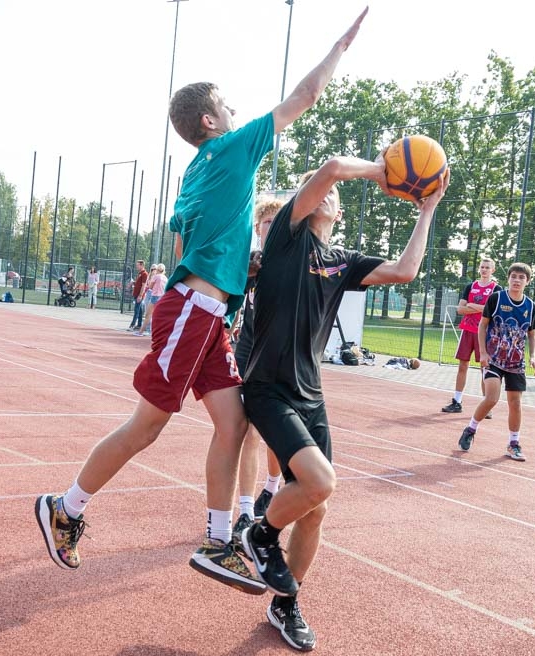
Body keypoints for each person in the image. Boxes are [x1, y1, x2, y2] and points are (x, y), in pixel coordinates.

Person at [35, 8, 372, 599]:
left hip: (206, 312)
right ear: (213, 121)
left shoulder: (197, 172)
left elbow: (186, 242)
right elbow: (306, 94)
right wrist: (341, 45)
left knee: (235, 421)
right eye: (232, 109)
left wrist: (232, 266)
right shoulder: (235, 149)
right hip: (194, 310)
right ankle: (64, 506)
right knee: (147, 427)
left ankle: (221, 541)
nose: (243, 116)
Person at [241, 160, 446, 651]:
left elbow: (405, 270)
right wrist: (384, 172)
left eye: (336, 198)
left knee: (316, 507)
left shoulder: (341, 259)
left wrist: (429, 208)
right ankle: (260, 534)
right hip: (268, 386)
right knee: (320, 481)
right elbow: (332, 168)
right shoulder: (288, 236)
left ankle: (284, 605)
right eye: (322, 194)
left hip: (311, 393)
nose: (331, 197)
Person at [232, 199, 285, 538]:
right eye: (267, 222)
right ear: (258, 227)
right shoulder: (248, 263)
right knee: (248, 430)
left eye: (277, 222)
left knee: (274, 435)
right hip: (248, 352)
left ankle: (272, 485)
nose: (272, 227)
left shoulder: (292, 262)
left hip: (280, 357)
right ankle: (247, 511)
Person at [458, 263, 535, 462]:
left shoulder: (530, 306)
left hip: (516, 362)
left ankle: (513, 443)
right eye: (514, 276)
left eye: (521, 277)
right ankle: (470, 429)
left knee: (516, 403)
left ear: (527, 282)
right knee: (492, 398)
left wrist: (533, 356)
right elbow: (482, 325)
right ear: (508, 278)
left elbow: (532, 334)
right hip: (494, 359)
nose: (517, 280)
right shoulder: (496, 298)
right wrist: (484, 353)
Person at [442, 258, 502, 412]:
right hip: (467, 330)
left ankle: (486, 406)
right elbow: (460, 309)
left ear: (492, 270)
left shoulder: (496, 289)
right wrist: (481, 308)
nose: (484, 269)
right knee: (463, 365)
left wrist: (473, 306)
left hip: (485, 332)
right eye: (482, 267)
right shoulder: (471, 286)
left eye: (487, 267)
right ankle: (457, 401)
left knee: (484, 368)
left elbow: (493, 311)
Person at [136, 264, 167, 336]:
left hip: (155, 297)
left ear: (157, 270)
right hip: (162, 297)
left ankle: (141, 332)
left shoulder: (156, 276)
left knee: (148, 315)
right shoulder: (165, 278)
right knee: (158, 316)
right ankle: (155, 332)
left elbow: (150, 286)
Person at [125, 260, 148, 332]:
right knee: (140, 311)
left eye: (138, 265)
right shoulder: (140, 273)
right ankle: (139, 325)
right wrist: (133, 283)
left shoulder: (145, 274)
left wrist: (140, 295)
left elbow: (144, 286)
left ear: (142, 265)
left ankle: (132, 325)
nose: (136, 266)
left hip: (139, 295)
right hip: (136, 294)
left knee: (136, 310)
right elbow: (138, 284)